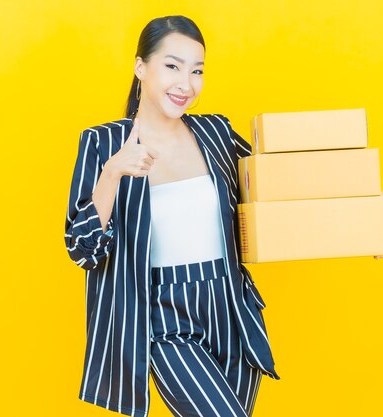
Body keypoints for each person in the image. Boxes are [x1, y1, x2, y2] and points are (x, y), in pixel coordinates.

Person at [64, 15, 280, 417]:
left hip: (230, 307)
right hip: (164, 317)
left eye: (197, 71)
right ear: (141, 67)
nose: (186, 84)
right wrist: (113, 172)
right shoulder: (104, 142)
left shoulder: (216, 132)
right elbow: (82, 250)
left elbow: (276, 192)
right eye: (172, 66)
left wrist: (355, 228)